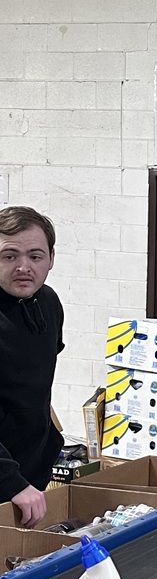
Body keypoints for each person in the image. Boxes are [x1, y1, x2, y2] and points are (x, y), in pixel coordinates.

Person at [0, 205, 64, 528]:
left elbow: (36, 385)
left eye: (35, 256)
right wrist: (12, 482)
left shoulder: (49, 305)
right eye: (9, 256)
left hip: (30, 481)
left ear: (51, 258)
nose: (23, 267)